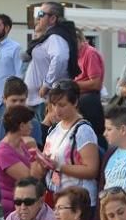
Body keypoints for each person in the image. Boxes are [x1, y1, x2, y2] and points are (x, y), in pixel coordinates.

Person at [35, 80, 101, 208]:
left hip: (77, 201)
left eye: (62, 105)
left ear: (75, 102)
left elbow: (92, 170)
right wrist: (42, 163)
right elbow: (42, 169)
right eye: (53, 105)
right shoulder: (54, 129)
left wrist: (59, 166)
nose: (57, 110)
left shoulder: (83, 130)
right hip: (56, 196)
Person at [24, 1, 80, 118]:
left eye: (40, 14)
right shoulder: (49, 37)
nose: (37, 18)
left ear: (53, 18)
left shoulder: (55, 37)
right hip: (37, 100)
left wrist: (46, 84)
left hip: (45, 101)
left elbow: (60, 58)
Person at [0, 106, 35, 215]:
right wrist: (37, 157)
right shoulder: (4, 153)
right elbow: (30, 179)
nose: (32, 126)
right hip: (14, 207)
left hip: (26, 201)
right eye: (29, 123)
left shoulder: (21, 144)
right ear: (21, 126)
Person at [0, 77, 44, 147]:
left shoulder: (34, 125)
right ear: (4, 99)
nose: (18, 104)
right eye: (14, 100)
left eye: (22, 100)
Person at [73, 28, 106, 140]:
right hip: (81, 97)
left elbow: (95, 84)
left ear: (79, 40)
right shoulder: (77, 54)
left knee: (93, 135)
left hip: (89, 99)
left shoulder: (90, 53)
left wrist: (73, 85)